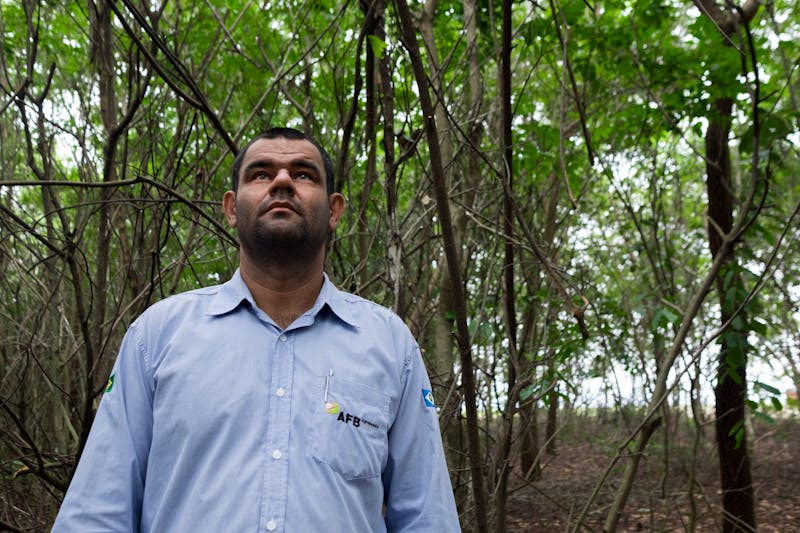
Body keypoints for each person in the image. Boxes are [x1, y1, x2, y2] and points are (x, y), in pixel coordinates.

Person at [52, 127, 461, 532]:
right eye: (261, 174)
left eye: (303, 174)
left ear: (334, 210)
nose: (282, 182)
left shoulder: (389, 345)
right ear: (231, 208)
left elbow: (427, 517)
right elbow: (96, 513)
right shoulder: (156, 337)